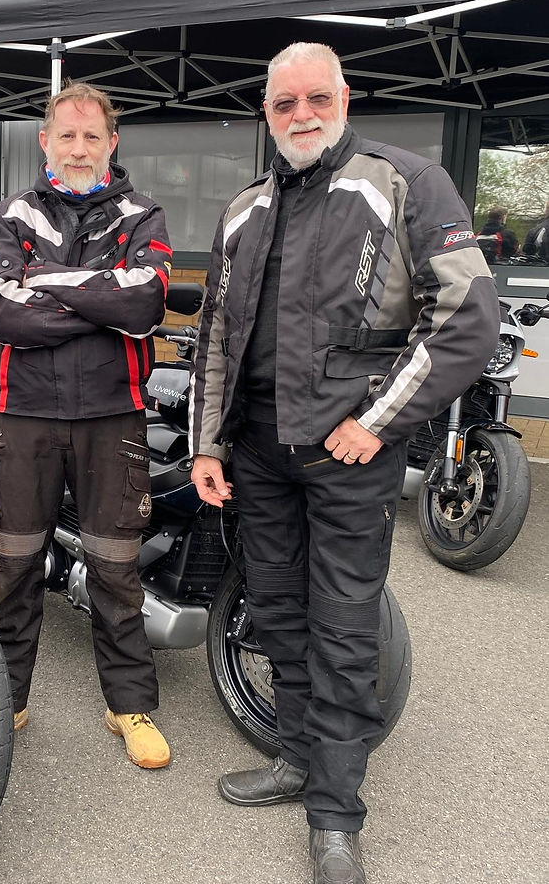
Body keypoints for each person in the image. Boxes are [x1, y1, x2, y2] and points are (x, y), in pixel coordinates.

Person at [189, 43, 499, 884]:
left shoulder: (406, 181)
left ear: (344, 96)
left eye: (315, 97)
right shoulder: (246, 205)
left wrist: (375, 420)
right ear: (266, 112)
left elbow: (467, 314)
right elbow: (215, 335)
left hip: (348, 455)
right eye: (283, 103)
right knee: (279, 613)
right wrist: (208, 443)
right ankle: (294, 759)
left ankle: (335, 818)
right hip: (257, 454)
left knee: (345, 630)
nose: (301, 115)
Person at [0, 82, 173, 769]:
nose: (80, 147)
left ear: (112, 142)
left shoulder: (143, 212)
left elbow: (146, 302)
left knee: (116, 570)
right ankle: (4, 694)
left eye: (93, 136)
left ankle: (130, 705)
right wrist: (99, 292)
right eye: (68, 135)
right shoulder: (11, 213)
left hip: (111, 414)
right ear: (46, 141)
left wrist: (47, 281)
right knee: (14, 565)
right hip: (22, 414)